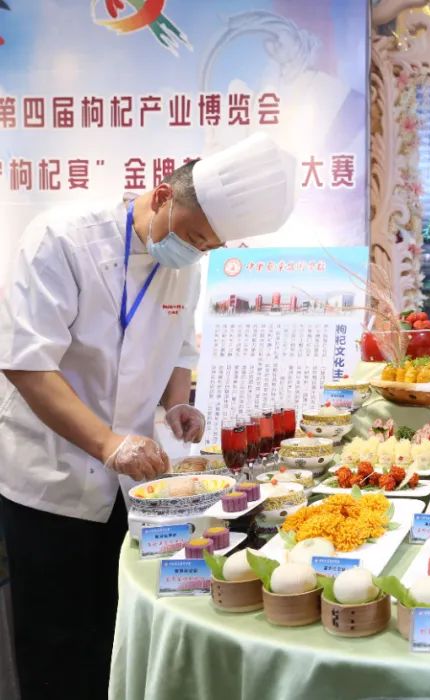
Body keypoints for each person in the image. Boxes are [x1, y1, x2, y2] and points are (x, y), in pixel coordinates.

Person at [0, 133, 296, 699]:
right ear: (162, 195)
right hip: (50, 479)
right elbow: (26, 364)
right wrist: (108, 442)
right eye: (194, 237)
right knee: (58, 644)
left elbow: (178, 347)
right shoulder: (62, 238)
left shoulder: (186, 265)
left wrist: (177, 402)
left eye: (210, 246)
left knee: (118, 633)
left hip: (129, 485)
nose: (196, 252)